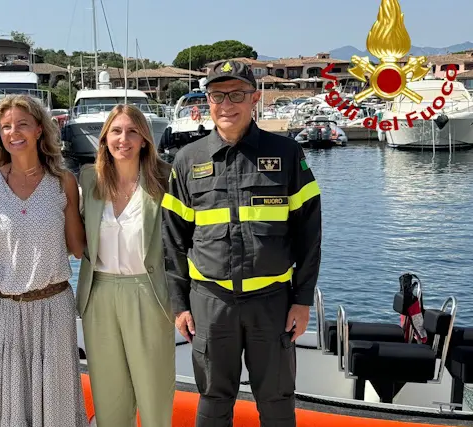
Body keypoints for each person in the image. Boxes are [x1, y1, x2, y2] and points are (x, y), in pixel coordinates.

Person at [161, 59, 322, 427]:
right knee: (214, 400)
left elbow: (309, 235)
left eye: (237, 94)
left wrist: (301, 300)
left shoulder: (286, 155)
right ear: (207, 101)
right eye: (218, 95)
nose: (227, 104)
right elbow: (172, 241)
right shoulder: (188, 160)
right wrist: (179, 305)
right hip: (211, 304)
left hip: (272, 303)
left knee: (277, 400)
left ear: (254, 99)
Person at [0, 94, 87, 427]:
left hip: (52, 308)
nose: (14, 132)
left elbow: (77, 246)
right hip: (2, 309)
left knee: (57, 403)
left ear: (39, 129)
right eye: (6, 126)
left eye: (22, 123)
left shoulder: (63, 182)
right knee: (0, 403)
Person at [76, 104, 175, 426]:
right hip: (99, 295)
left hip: (149, 293)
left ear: (145, 139)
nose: (124, 139)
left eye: (133, 131)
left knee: (154, 393)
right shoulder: (90, 180)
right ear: (104, 139)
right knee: (108, 397)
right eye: (116, 131)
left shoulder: (165, 179)